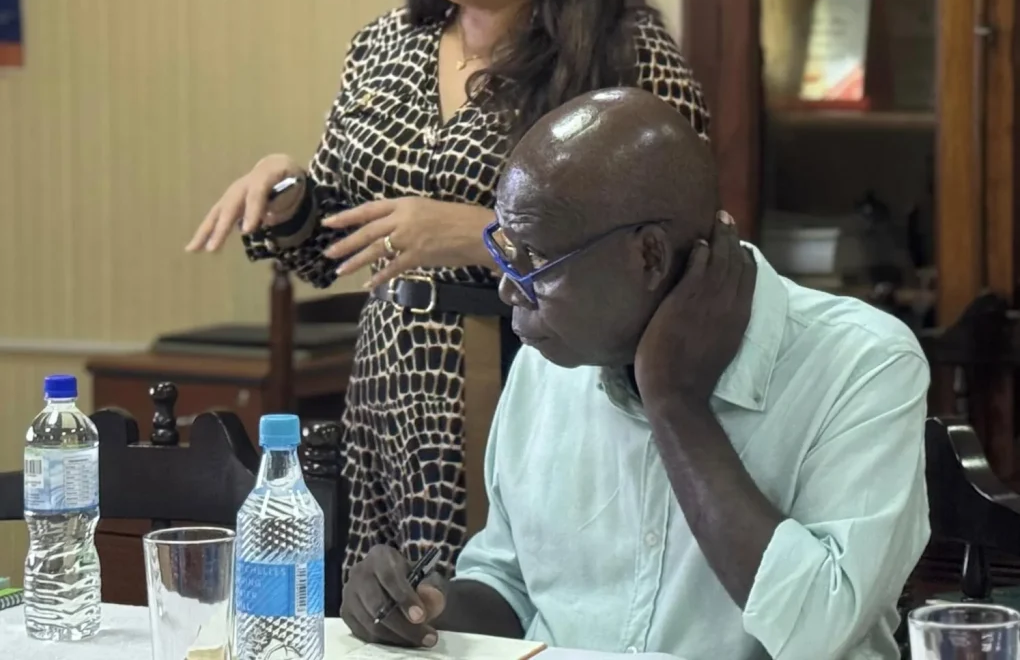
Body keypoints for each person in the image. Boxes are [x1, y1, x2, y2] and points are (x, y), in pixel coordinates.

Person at [185, 0, 709, 582]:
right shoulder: (386, 47)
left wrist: (485, 237)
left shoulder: (621, 53)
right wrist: (290, 196)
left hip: (538, 390)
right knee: (388, 611)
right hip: (386, 398)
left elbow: (678, 262)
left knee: (500, 609)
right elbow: (332, 248)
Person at [340, 88, 931, 660]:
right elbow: (513, 585)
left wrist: (674, 404)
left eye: (536, 260)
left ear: (648, 255)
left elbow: (820, 633)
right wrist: (424, 610)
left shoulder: (862, 363)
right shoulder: (551, 359)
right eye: (506, 250)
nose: (509, 289)